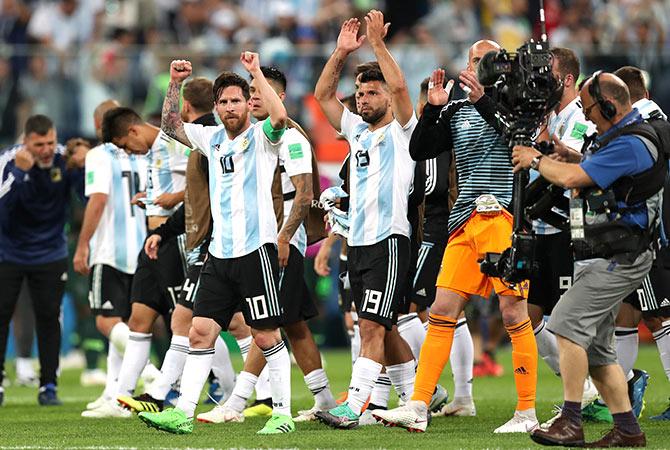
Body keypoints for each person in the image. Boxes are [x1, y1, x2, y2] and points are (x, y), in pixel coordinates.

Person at [374, 39, 539, 434]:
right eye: (474, 60)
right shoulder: (457, 109)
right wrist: (432, 109)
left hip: (503, 218)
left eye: (488, 60)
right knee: (442, 310)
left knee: (514, 312)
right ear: (466, 65)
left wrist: (484, 100)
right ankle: (418, 404)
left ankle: (527, 412)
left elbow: (519, 139)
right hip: (464, 220)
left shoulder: (520, 105)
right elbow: (420, 149)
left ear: (504, 67)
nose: (480, 66)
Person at [137, 52, 294, 435]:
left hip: (255, 251)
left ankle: (283, 413)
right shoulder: (209, 138)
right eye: (223, 101)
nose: (229, 107)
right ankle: (183, 413)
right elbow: (172, 126)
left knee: (265, 334)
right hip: (219, 254)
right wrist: (174, 83)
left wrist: (255, 72)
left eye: (236, 100)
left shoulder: (262, 137)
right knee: (199, 330)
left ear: (247, 103)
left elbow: (279, 119)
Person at [513, 72, 661, 447]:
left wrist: (535, 160)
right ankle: (628, 430)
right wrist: (572, 155)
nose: (587, 115)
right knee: (596, 350)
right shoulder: (624, 139)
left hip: (619, 257)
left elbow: (574, 179)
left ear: (609, 106)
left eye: (589, 108)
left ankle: (571, 421)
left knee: (564, 323)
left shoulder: (630, 143)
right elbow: (598, 171)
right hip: (608, 253)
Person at [195, 65, 336, 425]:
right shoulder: (242, 138)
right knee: (293, 323)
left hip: (277, 242)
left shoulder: (288, 135)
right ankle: (324, 400)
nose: (254, 97)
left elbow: (305, 192)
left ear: (279, 98)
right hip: (252, 243)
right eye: (252, 91)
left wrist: (286, 237)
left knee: (265, 324)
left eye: (260, 91)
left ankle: (238, 402)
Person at [313, 11, 418, 429]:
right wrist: (341, 52)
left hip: (389, 239)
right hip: (358, 241)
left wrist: (377, 43)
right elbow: (323, 96)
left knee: (371, 324)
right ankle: (413, 401)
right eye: (360, 92)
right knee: (385, 327)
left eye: (372, 93)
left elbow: (402, 85)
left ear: (388, 98)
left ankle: (355, 406)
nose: (363, 99)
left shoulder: (405, 130)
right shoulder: (356, 130)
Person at [115, 78, 237, 414]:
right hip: (203, 242)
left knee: (222, 323)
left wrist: (167, 228)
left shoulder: (210, 141)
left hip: (211, 242)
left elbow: (201, 198)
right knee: (194, 321)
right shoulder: (206, 137)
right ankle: (166, 394)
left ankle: (240, 396)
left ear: (186, 107)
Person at [525, 48, 599, 424]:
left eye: (548, 74)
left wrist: (545, 145)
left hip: (567, 229)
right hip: (540, 226)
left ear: (567, 79)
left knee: (566, 318)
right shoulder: (549, 115)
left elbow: (572, 163)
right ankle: (585, 389)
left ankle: (592, 392)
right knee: (530, 314)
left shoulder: (581, 118)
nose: (542, 81)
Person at [100, 105, 189, 405]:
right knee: (139, 319)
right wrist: (149, 200)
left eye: (127, 145)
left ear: (134, 130)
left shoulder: (173, 144)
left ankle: (211, 391)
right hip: (153, 243)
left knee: (188, 322)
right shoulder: (152, 153)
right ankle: (121, 398)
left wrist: (173, 198)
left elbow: (207, 182)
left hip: (176, 241)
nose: (131, 152)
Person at [0, 114, 85, 406]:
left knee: (49, 319)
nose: (47, 149)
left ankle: (48, 385)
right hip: (8, 253)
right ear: (26, 142)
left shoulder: (65, 159)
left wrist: (84, 167)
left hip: (51, 252)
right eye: (39, 144)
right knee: (2, 317)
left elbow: (86, 196)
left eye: (50, 141)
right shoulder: (8, 161)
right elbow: (3, 210)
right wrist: (21, 175)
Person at [73, 100, 148, 418]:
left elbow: (98, 199)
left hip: (109, 251)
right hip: (142, 249)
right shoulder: (141, 153)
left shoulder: (99, 154)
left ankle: (153, 375)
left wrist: (82, 245)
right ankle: (116, 394)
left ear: (97, 126)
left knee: (106, 321)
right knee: (129, 324)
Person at [612, 65, 670, 421]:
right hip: (641, 233)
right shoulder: (655, 119)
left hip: (652, 233)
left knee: (660, 315)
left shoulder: (646, 124)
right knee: (625, 314)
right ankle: (620, 397)